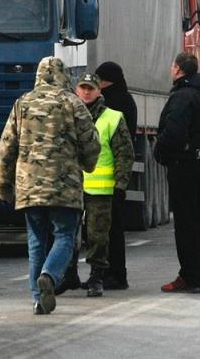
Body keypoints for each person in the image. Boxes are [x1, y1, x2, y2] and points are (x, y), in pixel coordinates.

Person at [0, 57, 100, 315]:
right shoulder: (73, 103)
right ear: (64, 76)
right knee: (65, 236)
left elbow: (6, 149)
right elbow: (91, 143)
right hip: (65, 185)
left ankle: (38, 300)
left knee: (36, 241)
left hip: (29, 187)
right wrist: (87, 164)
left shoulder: (22, 103)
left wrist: (4, 187)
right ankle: (50, 276)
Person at [154, 52, 200, 294]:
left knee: (185, 223)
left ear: (179, 70)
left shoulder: (182, 96)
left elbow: (174, 132)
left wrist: (161, 150)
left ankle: (190, 276)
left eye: (173, 65)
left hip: (184, 164)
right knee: (197, 220)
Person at [72, 73, 134, 298]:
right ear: (76, 90)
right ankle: (69, 275)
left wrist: (121, 184)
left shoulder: (113, 118)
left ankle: (97, 276)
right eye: (83, 88)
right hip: (71, 187)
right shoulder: (68, 116)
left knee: (98, 236)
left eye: (91, 88)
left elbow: (124, 154)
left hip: (101, 190)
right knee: (69, 234)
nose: (86, 92)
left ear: (99, 91)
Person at [95, 61, 137, 291]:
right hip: (115, 174)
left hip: (109, 175)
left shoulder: (112, 103)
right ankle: (114, 273)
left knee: (110, 229)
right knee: (112, 228)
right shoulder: (126, 100)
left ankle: (115, 274)